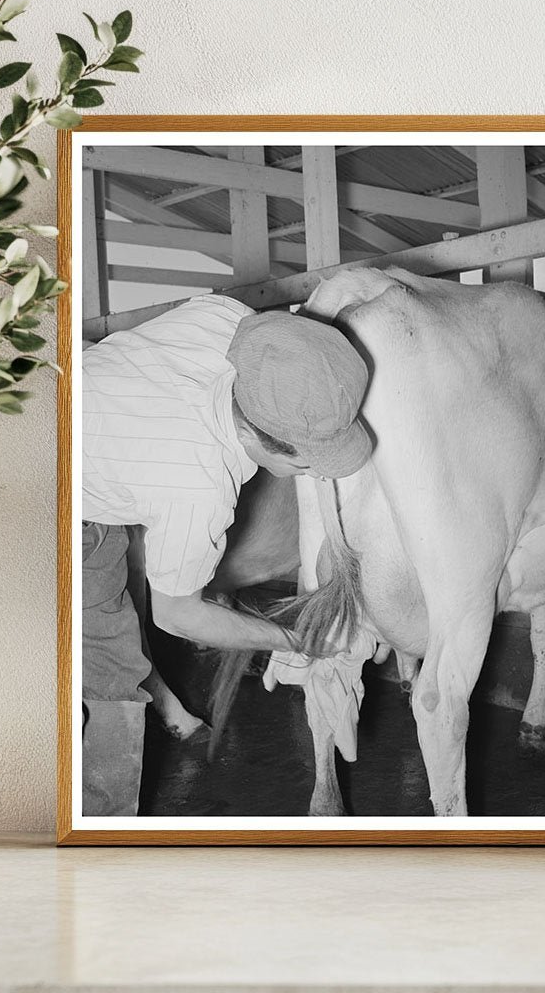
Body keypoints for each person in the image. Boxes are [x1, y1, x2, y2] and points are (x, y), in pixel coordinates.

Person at [81, 293, 372, 816]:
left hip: (54, 399)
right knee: (113, 677)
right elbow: (177, 615)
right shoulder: (197, 488)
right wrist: (295, 640)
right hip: (38, 486)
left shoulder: (230, 322)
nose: (317, 472)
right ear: (253, 439)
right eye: (307, 465)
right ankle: (99, 831)